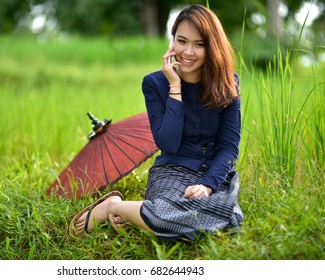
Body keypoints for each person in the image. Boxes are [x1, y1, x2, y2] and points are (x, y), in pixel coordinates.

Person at [69, 4, 244, 241]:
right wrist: (175, 86)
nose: (188, 52)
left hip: (215, 173)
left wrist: (208, 186)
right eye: (182, 41)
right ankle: (114, 206)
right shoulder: (154, 84)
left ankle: (130, 212)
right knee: (169, 217)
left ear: (212, 47)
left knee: (232, 220)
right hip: (172, 171)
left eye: (199, 44)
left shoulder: (228, 83)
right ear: (172, 41)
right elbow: (168, 143)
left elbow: (228, 147)